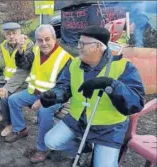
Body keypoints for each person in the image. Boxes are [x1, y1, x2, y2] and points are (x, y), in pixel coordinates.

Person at [40, 25, 145, 167]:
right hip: (78, 119)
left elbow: (136, 102)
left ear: (97, 47)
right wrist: (54, 95)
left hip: (109, 128)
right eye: (79, 43)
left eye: (82, 44)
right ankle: (84, 148)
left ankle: (98, 151)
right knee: (50, 141)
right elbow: (63, 86)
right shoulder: (74, 64)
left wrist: (110, 85)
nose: (78, 47)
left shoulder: (123, 66)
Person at [5, 24, 73, 163]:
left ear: (55, 39)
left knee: (44, 112)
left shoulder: (65, 58)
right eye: (40, 40)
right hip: (33, 92)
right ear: (36, 41)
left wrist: (42, 100)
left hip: (54, 98)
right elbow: (23, 64)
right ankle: (21, 129)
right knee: (13, 99)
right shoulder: (36, 51)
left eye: (47, 39)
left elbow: (63, 87)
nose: (44, 43)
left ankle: (42, 148)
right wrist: (19, 49)